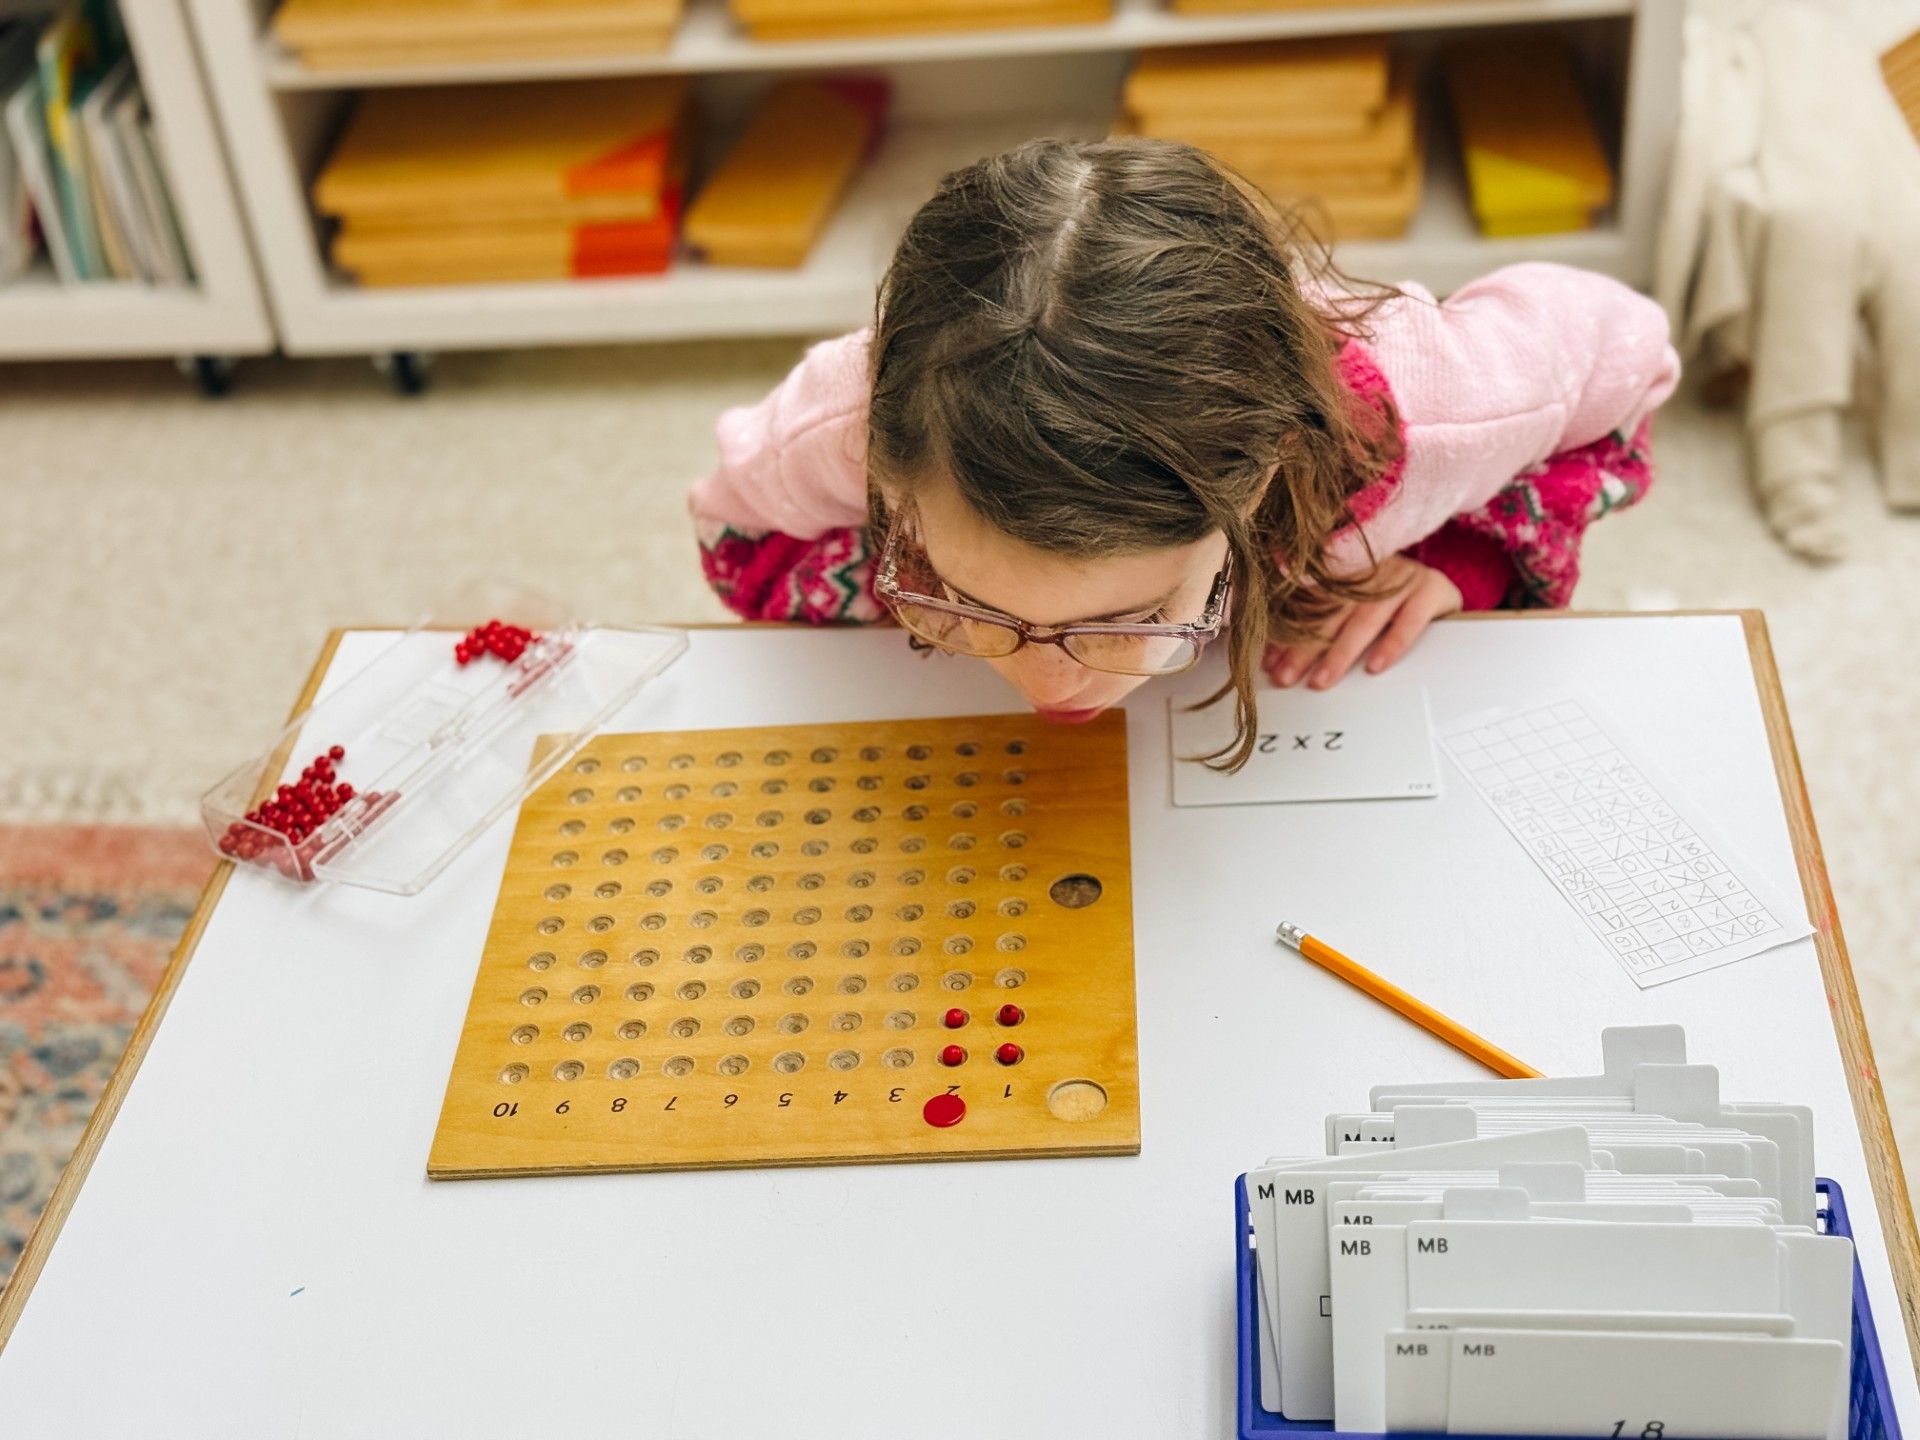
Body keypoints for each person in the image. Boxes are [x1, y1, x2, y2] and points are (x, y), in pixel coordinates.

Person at [689, 138, 1679, 767]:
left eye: (1133, 618)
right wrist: (901, 582)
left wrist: (1474, 554)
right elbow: (734, 529)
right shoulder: (844, 430)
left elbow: (1632, 366)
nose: (1052, 688)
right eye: (973, 607)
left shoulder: (1440, 408)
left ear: (1260, 478)